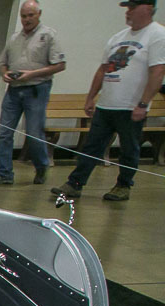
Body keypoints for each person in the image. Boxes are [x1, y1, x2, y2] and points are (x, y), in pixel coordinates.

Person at [52, 0, 164, 202]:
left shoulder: (157, 35)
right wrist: (90, 97)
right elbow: (103, 70)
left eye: (132, 7)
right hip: (107, 105)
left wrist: (143, 103)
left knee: (129, 149)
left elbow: (157, 72)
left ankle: (123, 185)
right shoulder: (118, 37)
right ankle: (75, 183)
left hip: (131, 107)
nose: (127, 12)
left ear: (147, 9)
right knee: (91, 146)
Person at [0, 1, 66, 186]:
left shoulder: (48, 35)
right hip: (14, 91)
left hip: (37, 89)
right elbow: (2, 62)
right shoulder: (14, 38)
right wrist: (5, 73)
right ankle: (4, 173)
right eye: (24, 16)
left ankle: (41, 165)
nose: (27, 19)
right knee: (4, 133)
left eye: (30, 15)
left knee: (33, 133)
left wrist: (31, 74)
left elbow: (60, 65)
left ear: (39, 14)